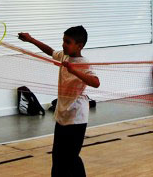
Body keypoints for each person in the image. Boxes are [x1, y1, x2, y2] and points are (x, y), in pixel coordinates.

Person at [18, 26, 99, 177]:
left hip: (77, 118)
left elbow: (95, 82)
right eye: (63, 41)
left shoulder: (84, 63)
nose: (63, 44)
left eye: (67, 42)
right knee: (57, 157)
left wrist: (74, 70)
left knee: (71, 158)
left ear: (79, 46)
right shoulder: (64, 56)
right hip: (62, 116)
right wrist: (30, 39)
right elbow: (50, 51)